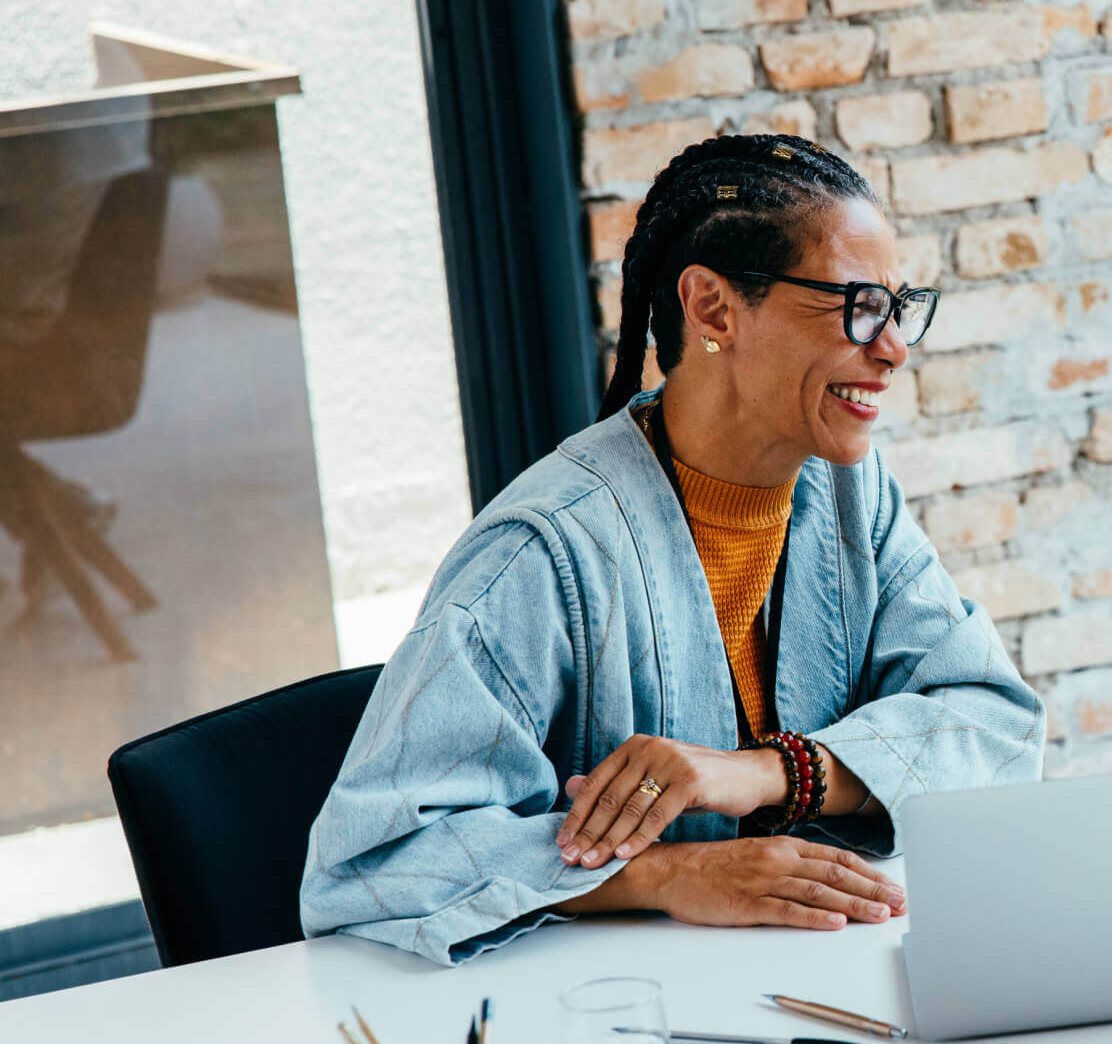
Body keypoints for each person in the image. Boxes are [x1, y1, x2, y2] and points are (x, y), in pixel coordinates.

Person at [300, 134, 1045, 966]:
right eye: (857, 305)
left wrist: (771, 772)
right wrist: (666, 873)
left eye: (899, 308)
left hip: (825, 973)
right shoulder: (539, 553)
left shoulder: (851, 497)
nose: (894, 347)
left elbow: (997, 727)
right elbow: (372, 861)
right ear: (714, 309)